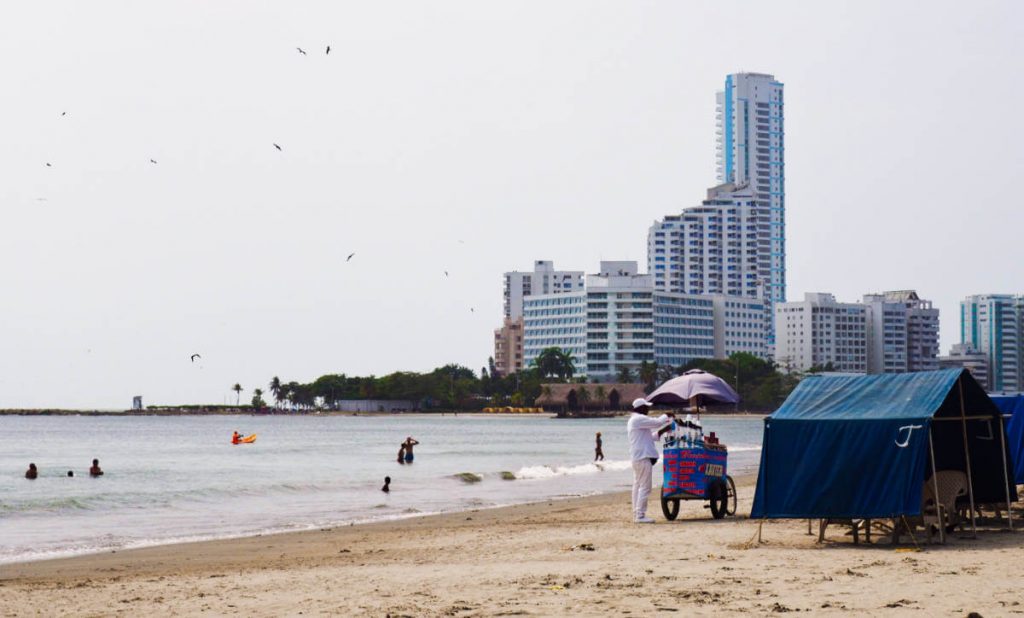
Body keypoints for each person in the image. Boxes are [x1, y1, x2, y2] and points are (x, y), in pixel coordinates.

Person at [626, 398, 673, 524]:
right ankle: (640, 515)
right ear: (640, 408)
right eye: (646, 407)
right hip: (642, 458)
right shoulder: (638, 419)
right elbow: (657, 422)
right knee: (645, 487)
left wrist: (663, 430)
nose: (648, 409)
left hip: (637, 457)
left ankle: (636, 513)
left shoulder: (636, 421)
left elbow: (649, 437)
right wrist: (666, 415)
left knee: (638, 486)